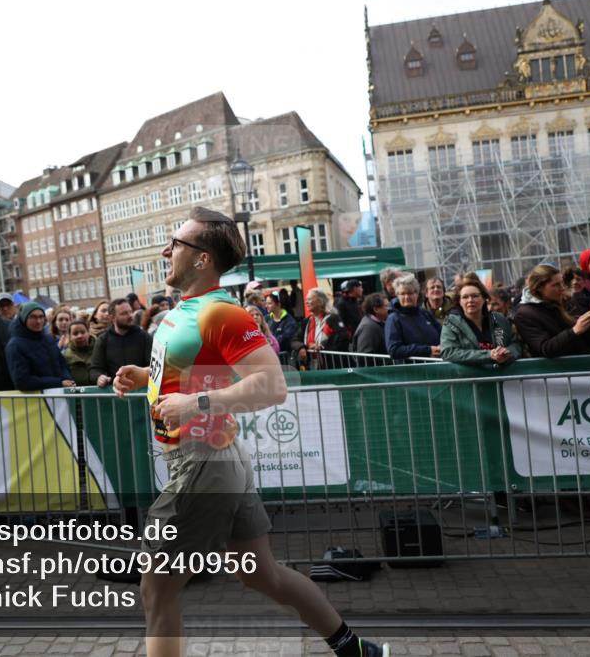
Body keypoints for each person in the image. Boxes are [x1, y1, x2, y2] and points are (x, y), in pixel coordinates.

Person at [111, 206, 390, 657]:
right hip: (218, 459)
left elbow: (272, 386)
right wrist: (146, 375)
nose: (165, 251)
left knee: (156, 588)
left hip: (203, 464)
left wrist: (195, 403)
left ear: (202, 259)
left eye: (176, 244)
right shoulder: (182, 313)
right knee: (261, 573)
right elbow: (196, 372)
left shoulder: (224, 313)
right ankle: (354, 648)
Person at [514, 264, 590, 358]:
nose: (562, 288)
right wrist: (574, 331)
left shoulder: (567, 301)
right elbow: (545, 348)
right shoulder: (524, 315)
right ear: (539, 287)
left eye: (562, 283)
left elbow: (589, 341)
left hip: (583, 364)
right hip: (554, 370)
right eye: (556, 285)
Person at [440, 280, 521, 367]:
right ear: (459, 301)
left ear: (484, 299)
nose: (470, 300)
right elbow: (448, 352)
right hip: (470, 377)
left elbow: (516, 344)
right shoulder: (451, 323)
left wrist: (507, 353)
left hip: (502, 376)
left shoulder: (499, 319)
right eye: (465, 297)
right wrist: (489, 355)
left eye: (475, 296)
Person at [6, 303, 74, 391]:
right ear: (24, 318)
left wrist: (68, 380)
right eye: (33, 317)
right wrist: (59, 382)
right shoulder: (15, 345)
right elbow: (22, 381)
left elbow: (62, 364)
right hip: (36, 401)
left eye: (41, 317)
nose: (38, 321)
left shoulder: (49, 339)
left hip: (60, 396)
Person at [89, 298, 153, 388]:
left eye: (130, 312)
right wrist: (99, 377)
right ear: (112, 317)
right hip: (115, 395)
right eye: (124, 313)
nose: (130, 316)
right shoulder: (103, 340)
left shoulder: (144, 337)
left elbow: (152, 366)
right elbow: (95, 369)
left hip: (141, 392)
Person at [385, 274, 442, 361]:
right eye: (403, 294)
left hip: (436, 367)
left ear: (417, 294)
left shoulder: (425, 314)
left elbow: (442, 334)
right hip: (412, 371)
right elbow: (394, 350)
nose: (407, 297)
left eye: (410, 293)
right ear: (397, 296)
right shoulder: (393, 319)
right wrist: (428, 350)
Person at [298, 289, 350, 370]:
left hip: (331, 366)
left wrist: (321, 346)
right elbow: (295, 339)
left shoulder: (333, 318)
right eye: (306, 300)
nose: (306, 302)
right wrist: (301, 347)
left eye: (309, 299)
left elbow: (343, 338)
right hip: (311, 365)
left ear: (320, 301)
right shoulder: (307, 321)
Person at [265, 290, 298, 356]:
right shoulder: (266, 318)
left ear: (278, 304)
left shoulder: (289, 321)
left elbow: (285, 339)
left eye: (270, 303)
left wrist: (269, 343)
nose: (266, 306)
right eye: (266, 303)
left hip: (284, 358)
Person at [63, 320, 96, 386]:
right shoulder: (65, 355)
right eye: (75, 333)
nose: (79, 336)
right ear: (69, 336)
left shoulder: (99, 350)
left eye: (83, 332)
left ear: (88, 333)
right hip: (76, 393)